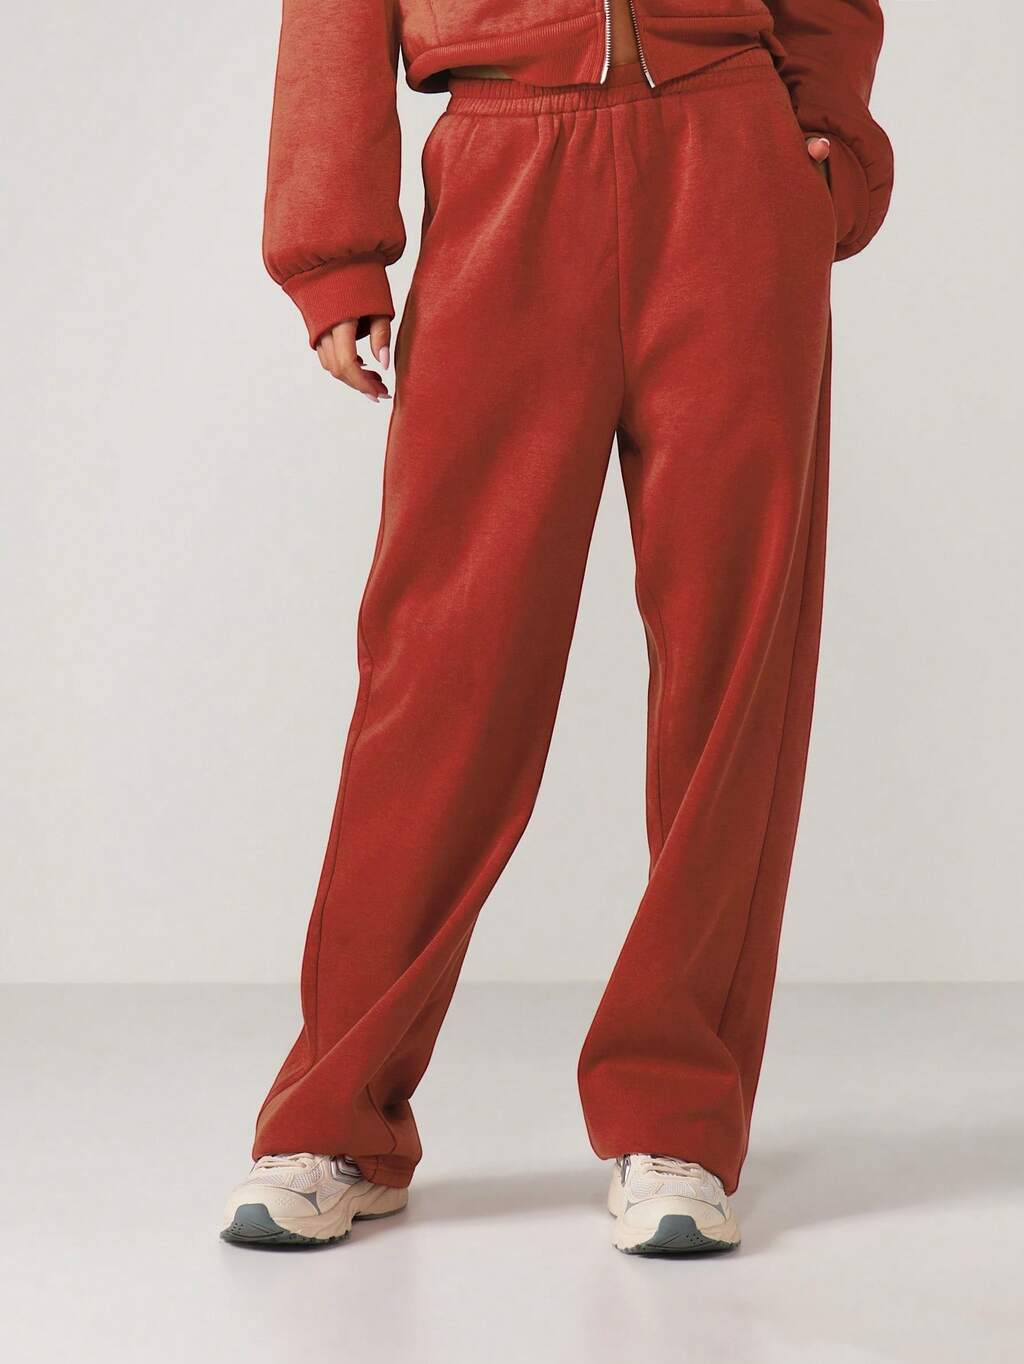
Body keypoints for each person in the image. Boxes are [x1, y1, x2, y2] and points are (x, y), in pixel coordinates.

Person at [221, 0, 892, 1255]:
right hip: (504, 163)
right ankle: (336, 1116)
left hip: (732, 166)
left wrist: (830, 144)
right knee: (439, 665)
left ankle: (679, 1118)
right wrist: (332, 250)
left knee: (733, 662)